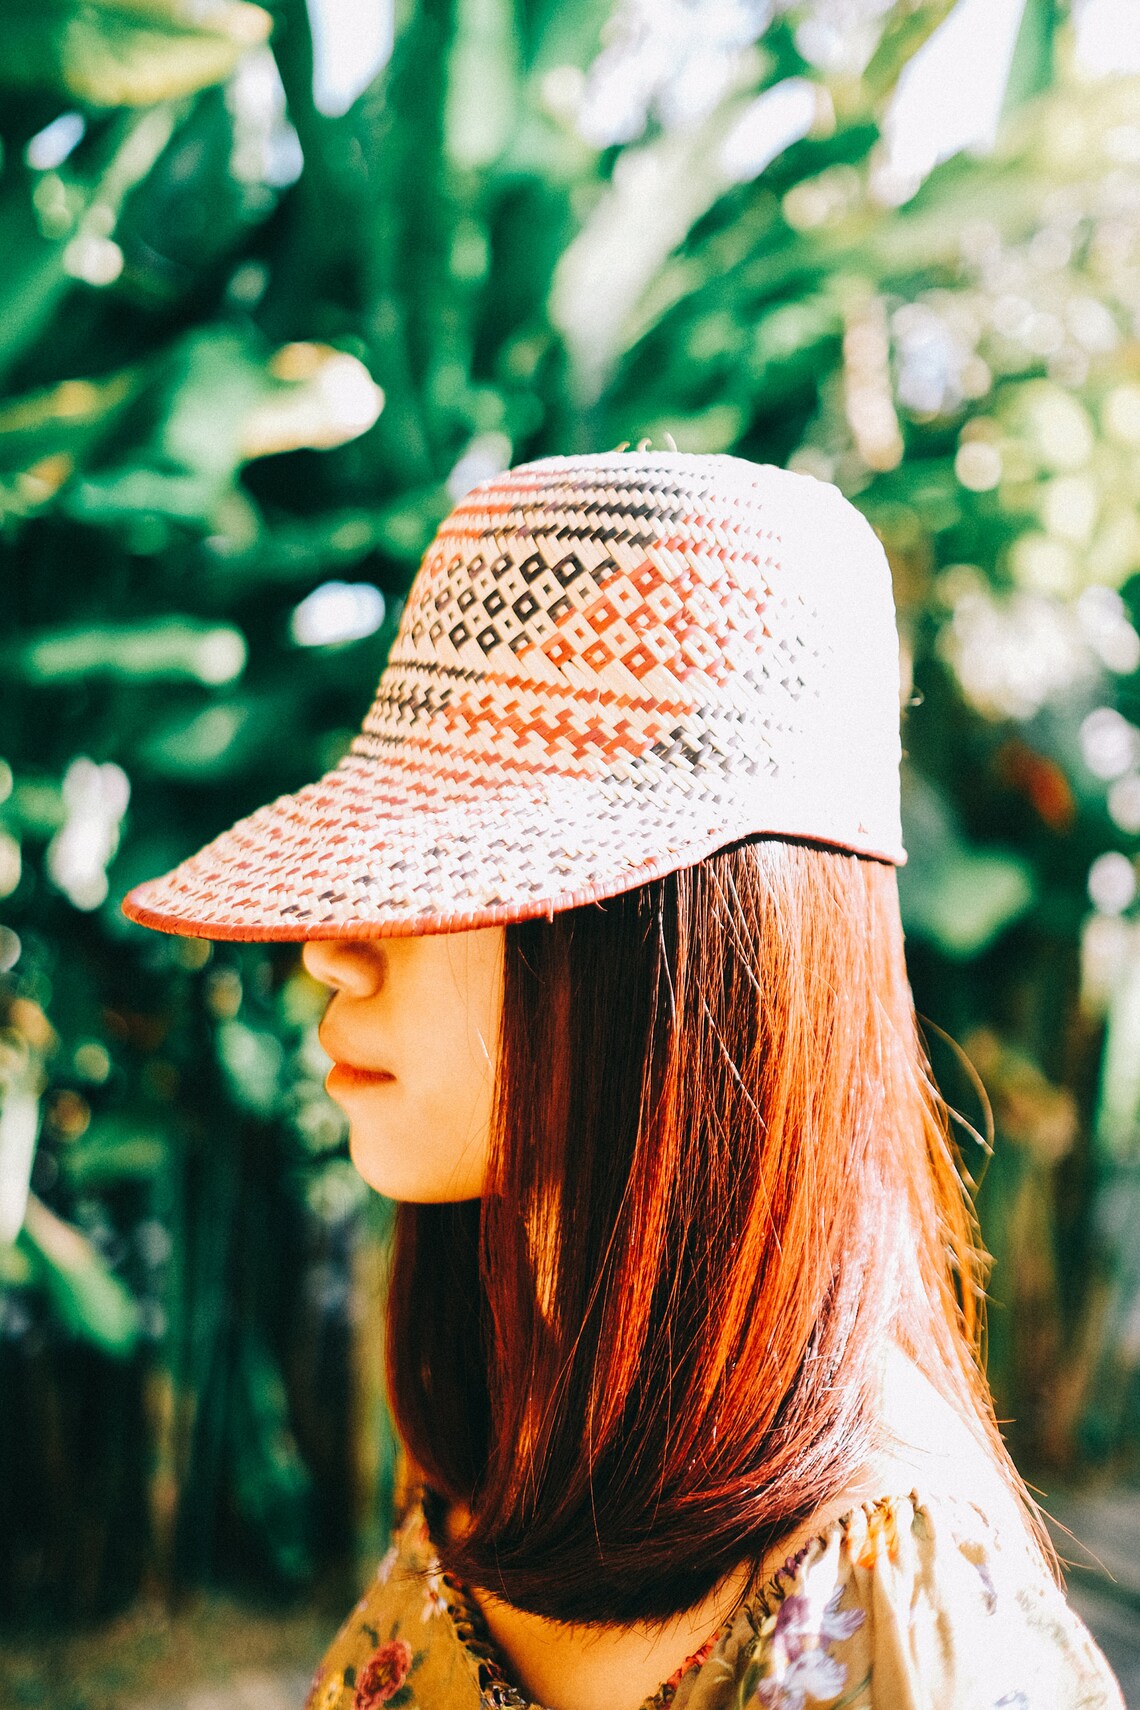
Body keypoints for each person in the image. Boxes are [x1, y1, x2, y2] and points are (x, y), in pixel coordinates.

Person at [125, 452, 1123, 1710]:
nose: (332, 948)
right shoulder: (518, 1453)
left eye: (448, 871)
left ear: (678, 955)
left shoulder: (888, 1605)